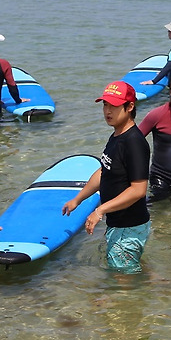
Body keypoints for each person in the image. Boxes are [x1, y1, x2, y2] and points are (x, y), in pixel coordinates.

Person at [62, 81, 151, 273]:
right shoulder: (117, 136)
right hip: (120, 226)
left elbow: (138, 190)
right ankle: (161, 286)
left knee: (121, 281)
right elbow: (104, 171)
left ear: (129, 107)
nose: (107, 111)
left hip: (128, 227)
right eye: (105, 105)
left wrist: (99, 211)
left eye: (114, 105)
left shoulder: (134, 142)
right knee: (130, 269)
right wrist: (78, 199)